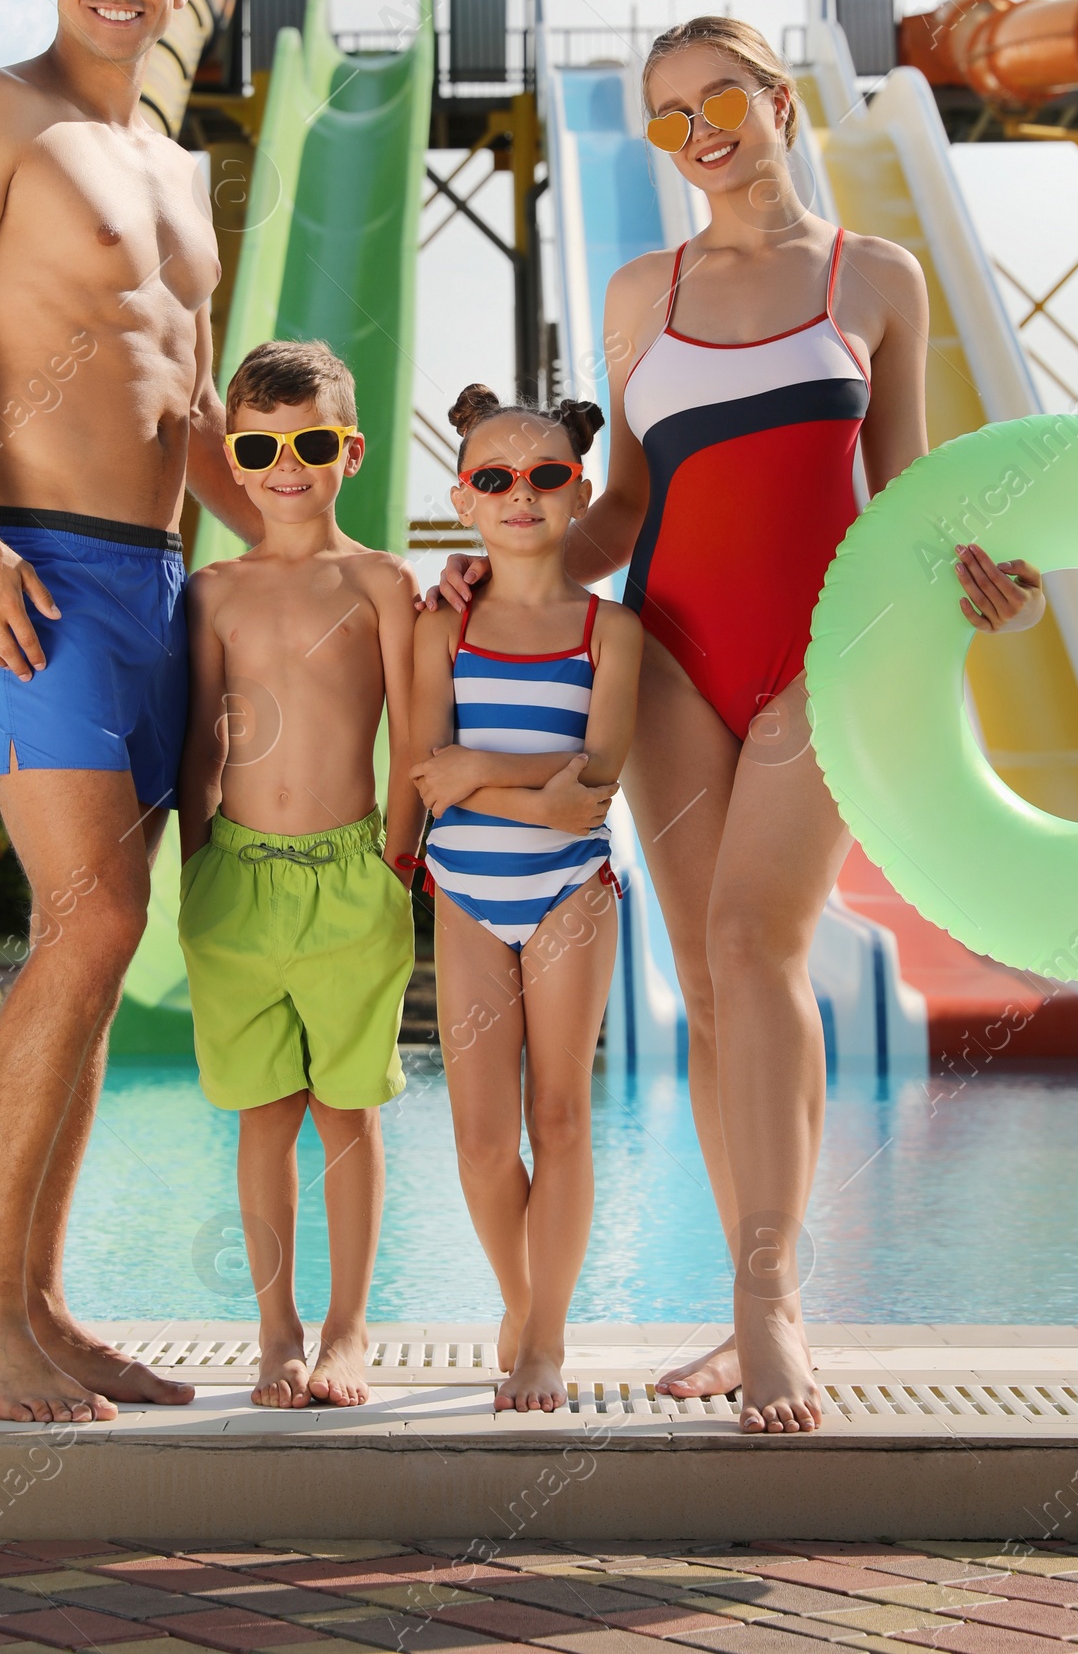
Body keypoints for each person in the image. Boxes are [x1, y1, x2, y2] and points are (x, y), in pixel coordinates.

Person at [438, 16, 1043, 1435]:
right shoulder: (640, 290)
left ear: (776, 100)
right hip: (665, 663)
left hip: (825, 659)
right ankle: (745, 1295)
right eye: (665, 118)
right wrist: (503, 576)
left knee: (750, 946)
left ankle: (774, 1310)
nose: (696, 130)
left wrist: (984, 597)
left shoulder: (872, 277)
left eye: (717, 98)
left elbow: (909, 500)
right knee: (709, 990)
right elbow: (632, 506)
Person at [0, 0, 264, 1427]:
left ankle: (40, 1302)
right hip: (27, 563)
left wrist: (324, 564)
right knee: (92, 924)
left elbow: (197, 419)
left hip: (159, 585)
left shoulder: (180, 172)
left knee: (95, 955)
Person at [178, 340, 422, 1410]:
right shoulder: (213, 590)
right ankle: (274, 1332)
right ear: (232, 457)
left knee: (348, 1114)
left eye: (311, 443)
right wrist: (193, 874)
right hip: (235, 880)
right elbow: (198, 745)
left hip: (350, 875)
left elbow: (415, 737)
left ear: (350, 451)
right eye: (263, 446)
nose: (287, 464)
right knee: (264, 1114)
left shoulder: (380, 581)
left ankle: (347, 1329)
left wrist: (396, 864)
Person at [412, 385, 643, 1414]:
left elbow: (592, 789)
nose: (521, 494)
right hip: (463, 890)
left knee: (557, 1117)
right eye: (495, 479)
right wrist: (497, 782)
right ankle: (521, 1300)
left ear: (578, 492)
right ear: (463, 498)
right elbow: (425, 776)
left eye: (545, 477)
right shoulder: (441, 629)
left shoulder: (611, 631)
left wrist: (478, 771)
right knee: (475, 1136)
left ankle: (544, 1344)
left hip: (569, 895)